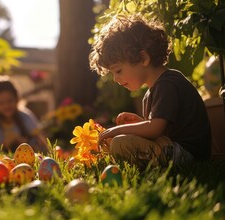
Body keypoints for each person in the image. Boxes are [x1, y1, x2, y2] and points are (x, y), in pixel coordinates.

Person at [89, 14, 211, 168]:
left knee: (120, 143)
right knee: (116, 142)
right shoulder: (152, 91)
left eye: (118, 71)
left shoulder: (168, 84)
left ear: (143, 59)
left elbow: (154, 130)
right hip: (170, 147)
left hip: (188, 155)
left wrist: (115, 130)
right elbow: (160, 131)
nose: (115, 79)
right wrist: (140, 123)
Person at [0, 75, 48, 153]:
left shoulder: (25, 116)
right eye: (1, 103)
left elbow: (40, 139)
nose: (6, 106)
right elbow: (0, 146)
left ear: (16, 98)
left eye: (10, 101)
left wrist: (24, 143)